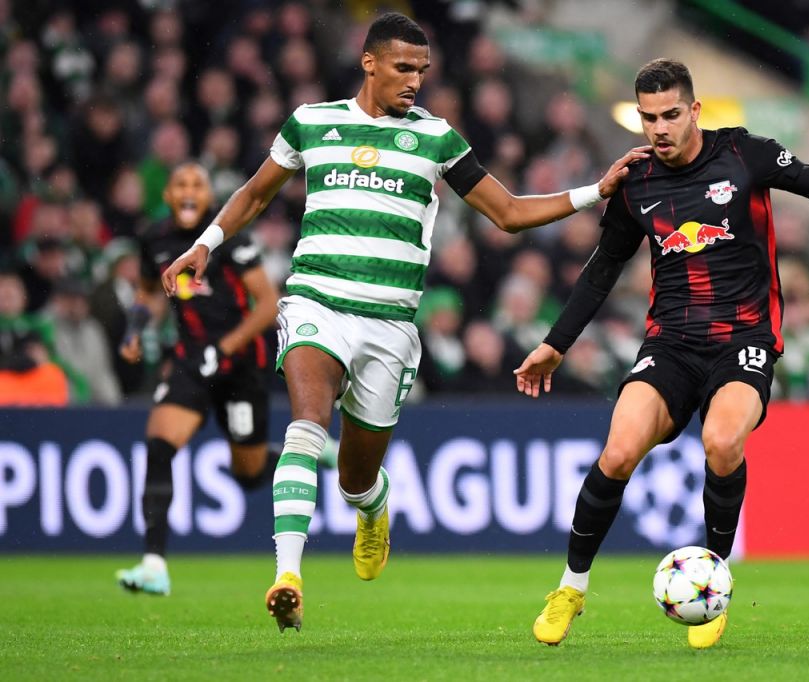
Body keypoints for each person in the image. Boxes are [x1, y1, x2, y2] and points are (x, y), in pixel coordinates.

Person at [158, 12, 648, 632]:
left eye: (423, 69)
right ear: (369, 63)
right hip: (316, 301)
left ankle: (372, 504)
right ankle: (288, 576)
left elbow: (508, 212)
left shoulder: (437, 138)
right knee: (306, 424)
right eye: (403, 67)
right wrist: (205, 244)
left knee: (354, 477)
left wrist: (594, 191)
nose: (415, 80)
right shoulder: (312, 122)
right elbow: (255, 193)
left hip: (388, 324)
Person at [514, 58, 809, 649]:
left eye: (670, 115)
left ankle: (714, 584)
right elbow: (603, 269)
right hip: (672, 343)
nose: (659, 128)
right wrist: (555, 344)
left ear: (695, 110)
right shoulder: (635, 182)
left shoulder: (743, 153)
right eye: (648, 117)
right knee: (618, 451)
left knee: (722, 441)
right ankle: (570, 588)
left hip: (745, 339)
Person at [115, 163, 327, 595]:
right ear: (168, 196)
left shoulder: (231, 239)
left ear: (208, 196)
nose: (189, 191)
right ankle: (154, 565)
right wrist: (136, 329)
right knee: (159, 446)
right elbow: (150, 292)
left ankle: (315, 454)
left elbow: (268, 306)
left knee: (247, 474)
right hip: (191, 362)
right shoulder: (154, 239)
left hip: (242, 367)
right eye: (180, 184)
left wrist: (223, 349)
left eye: (197, 184)